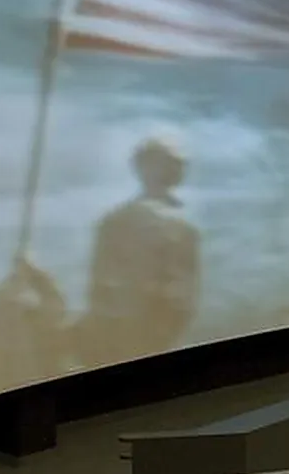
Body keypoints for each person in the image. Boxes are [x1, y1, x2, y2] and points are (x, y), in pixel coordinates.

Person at [71, 135, 201, 368]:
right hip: (146, 337)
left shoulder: (114, 221)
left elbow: (98, 289)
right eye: (172, 163)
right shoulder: (179, 226)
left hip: (131, 337)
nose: (179, 169)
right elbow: (181, 297)